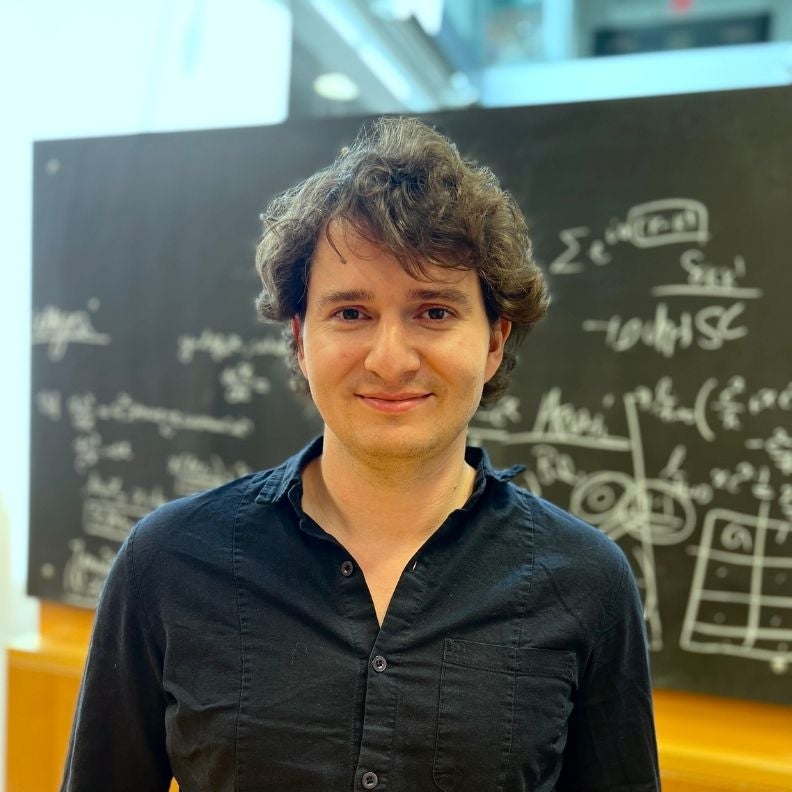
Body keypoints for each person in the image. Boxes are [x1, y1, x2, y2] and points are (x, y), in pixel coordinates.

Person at [61, 117, 659, 791]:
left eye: (433, 311)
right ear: (300, 338)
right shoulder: (166, 564)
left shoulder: (586, 584)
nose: (389, 359)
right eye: (351, 313)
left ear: (494, 341)